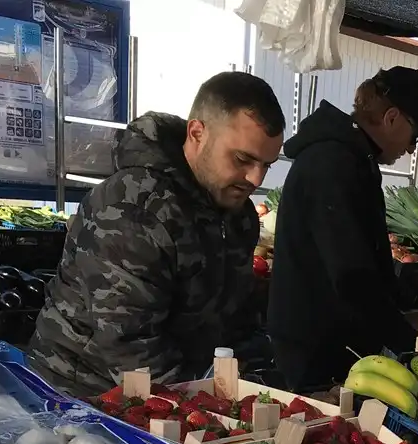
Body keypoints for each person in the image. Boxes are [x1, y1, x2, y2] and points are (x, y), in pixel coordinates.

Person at [28, 72, 284, 397]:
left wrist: (263, 385)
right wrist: (209, 411)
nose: (255, 178)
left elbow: (240, 323)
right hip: (80, 399)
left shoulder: (238, 217)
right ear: (197, 133)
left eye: (267, 164)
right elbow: (130, 350)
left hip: (179, 392)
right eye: (242, 159)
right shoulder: (132, 208)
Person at [266, 67, 418, 391]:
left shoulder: (353, 158)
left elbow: (362, 253)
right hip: (315, 348)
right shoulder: (333, 163)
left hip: (333, 341)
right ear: (391, 118)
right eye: (414, 136)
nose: (412, 149)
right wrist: (410, 344)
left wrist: (396, 294)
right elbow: (351, 275)